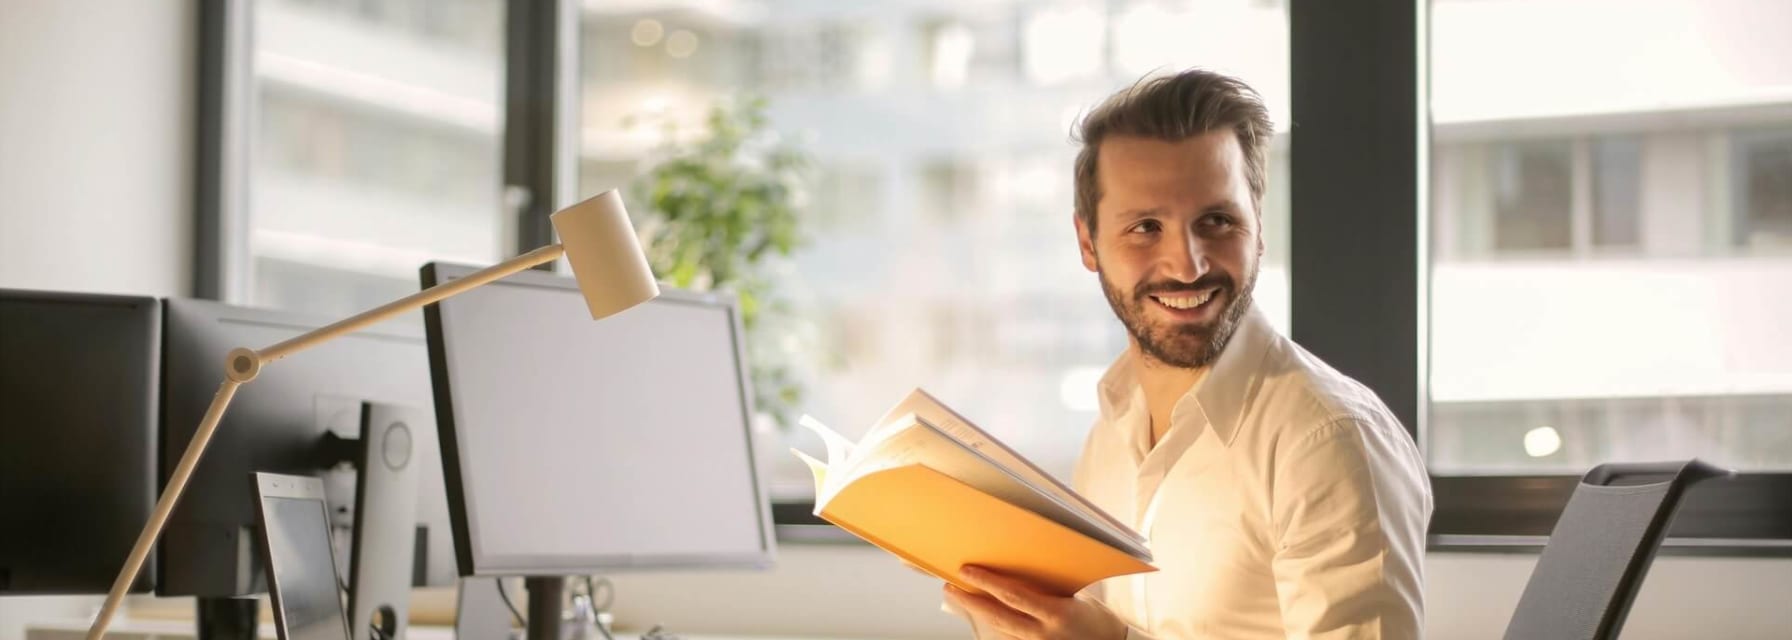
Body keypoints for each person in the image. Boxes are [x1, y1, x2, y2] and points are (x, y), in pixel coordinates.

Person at [943, 69, 1433, 639]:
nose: (1188, 265)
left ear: (1257, 228)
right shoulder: (1112, 428)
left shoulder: (1328, 439)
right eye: (1145, 227)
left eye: (1217, 221)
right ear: (1087, 244)